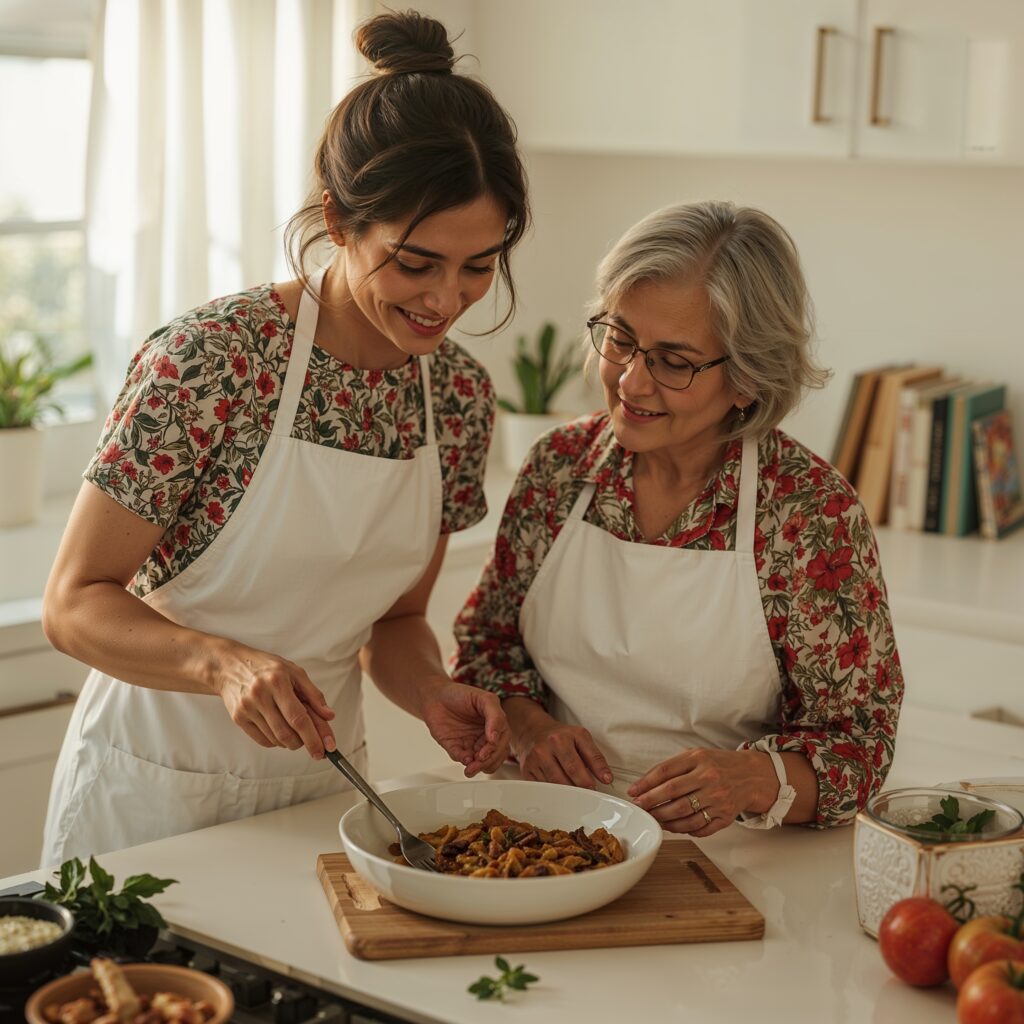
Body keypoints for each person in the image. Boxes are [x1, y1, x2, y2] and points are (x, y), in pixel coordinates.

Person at [40, 10, 529, 864]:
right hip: (150, 791)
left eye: (479, 265)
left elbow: (397, 621)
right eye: (416, 262)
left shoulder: (455, 397)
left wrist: (434, 694)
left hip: (325, 793)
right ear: (338, 221)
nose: (447, 301)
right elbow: (73, 603)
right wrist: (219, 664)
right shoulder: (212, 362)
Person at [451, 201, 904, 833]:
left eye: (674, 361)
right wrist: (530, 730)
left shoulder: (808, 513)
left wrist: (747, 780)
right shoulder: (559, 469)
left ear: (747, 377)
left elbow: (859, 743)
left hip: (731, 857)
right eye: (621, 339)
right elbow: (488, 645)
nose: (632, 382)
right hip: (544, 829)